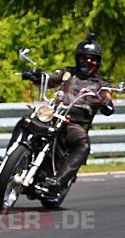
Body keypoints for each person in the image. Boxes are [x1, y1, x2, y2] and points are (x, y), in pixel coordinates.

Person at [20, 34, 115, 194]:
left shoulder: (101, 84)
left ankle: (57, 181)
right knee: (27, 121)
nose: (87, 62)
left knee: (83, 145)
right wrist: (37, 76)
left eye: (91, 59)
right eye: (84, 58)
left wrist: (106, 104)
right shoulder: (68, 73)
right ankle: (10, 157)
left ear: (97, 62)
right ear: (78, 59)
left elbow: (107, 98)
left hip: (75, 125)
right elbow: (50, 78)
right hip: (54, 115)